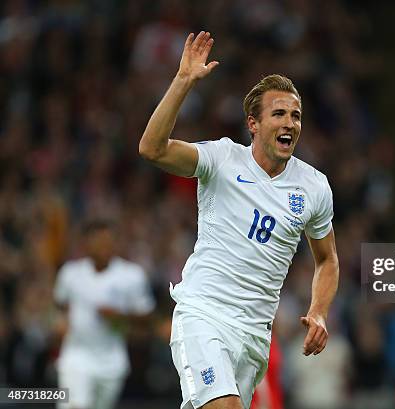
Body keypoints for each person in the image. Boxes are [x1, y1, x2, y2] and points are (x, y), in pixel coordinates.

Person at [139, 30, 339, 409]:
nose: (290, 123)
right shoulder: (221, 160)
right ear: (254, 124)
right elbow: (152, 149)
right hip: (204, 313)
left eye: (295, 116)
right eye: (278, 113)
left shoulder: (314, 187)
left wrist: (319, 313)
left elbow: (327, 259)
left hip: (254, 335)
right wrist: (183, 81)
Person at [54, 220, 155, 409]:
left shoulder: (131, 275)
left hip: (112, 360)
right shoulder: (70, 274)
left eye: (107, 241)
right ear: (85, 243)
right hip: (76, 355)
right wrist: (60, 323)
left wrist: (121, 316)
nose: (103, 246)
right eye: (97, 241)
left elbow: (147, 317)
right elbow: (60, 305)